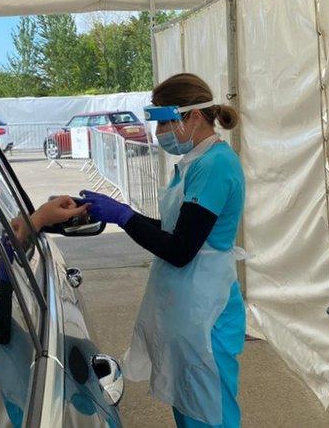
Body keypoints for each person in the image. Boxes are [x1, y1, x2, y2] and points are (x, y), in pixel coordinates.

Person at [82, 73, 246, 428]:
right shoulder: (196, 163)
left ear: (193, 116)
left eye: (163, 122)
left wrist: (125, 218)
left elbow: (180, 248)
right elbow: (176, 228)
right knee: (188, 404)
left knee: (209, 411)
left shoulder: (215, 165)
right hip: (189, 305)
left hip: (207, 309)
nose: (159, 134)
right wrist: (122, 213)